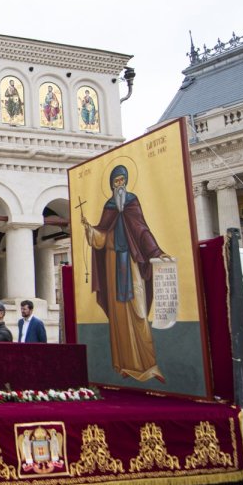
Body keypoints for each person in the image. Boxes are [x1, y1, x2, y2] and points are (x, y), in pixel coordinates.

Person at [80, 164, 169, 383]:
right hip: (112, 264)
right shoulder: (109, 205)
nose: (119, 185)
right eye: (115, 181)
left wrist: (157, 252)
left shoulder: (131, 202)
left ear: (126, 182)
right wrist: (91, 230)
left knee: (138, 311)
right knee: (118, 317)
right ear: (111, 184)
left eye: (121, 181)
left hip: (131, 262)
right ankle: (122, 364)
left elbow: (142, 230)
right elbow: (101, 237)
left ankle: (149, 365)